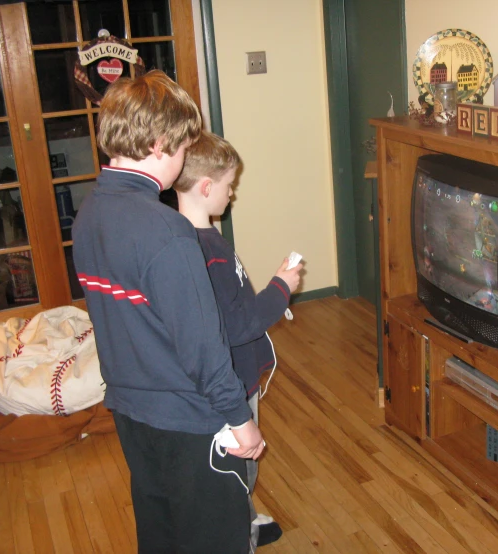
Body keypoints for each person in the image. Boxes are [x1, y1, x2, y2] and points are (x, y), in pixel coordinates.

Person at [72, 70, 263, 554]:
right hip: (189, 422)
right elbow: (203, 347)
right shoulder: (167, 233)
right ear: (159, 144)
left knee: (161, 531)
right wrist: (242, 422)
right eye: (181, 145)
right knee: (214, 538)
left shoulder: (89, 213)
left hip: (131, 412)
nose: (183, 157)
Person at [172, 130, 302, 549]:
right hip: (230, 383)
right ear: (207, 187)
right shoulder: (208, 251)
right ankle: (238, 531)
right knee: (238, 467)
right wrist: (281, 287)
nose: (233, 194)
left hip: (220, 381)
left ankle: (242, 514)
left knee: (231, 466)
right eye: (230, 186)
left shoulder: (189, 238)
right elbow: (238, 325)